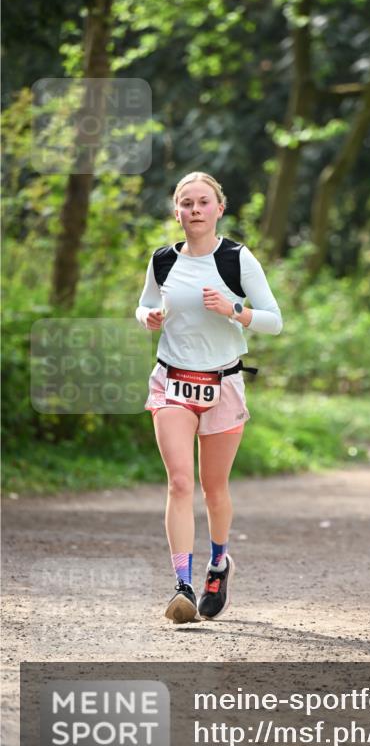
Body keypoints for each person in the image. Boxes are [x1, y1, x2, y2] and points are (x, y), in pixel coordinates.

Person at [135, 172, 282, 622]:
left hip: (223, 383)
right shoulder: (163, 260)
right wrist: (149, 317)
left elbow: (274, 320)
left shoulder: (237, 258)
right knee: (180, 482)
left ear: (219, 208)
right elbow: (144, 303)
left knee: (213, 488)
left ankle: (219, 564)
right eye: (186, 203)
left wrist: (234, 309)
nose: (194, 210)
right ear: (176, 211)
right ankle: (182, 586)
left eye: (203, 202)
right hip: (171, 380)